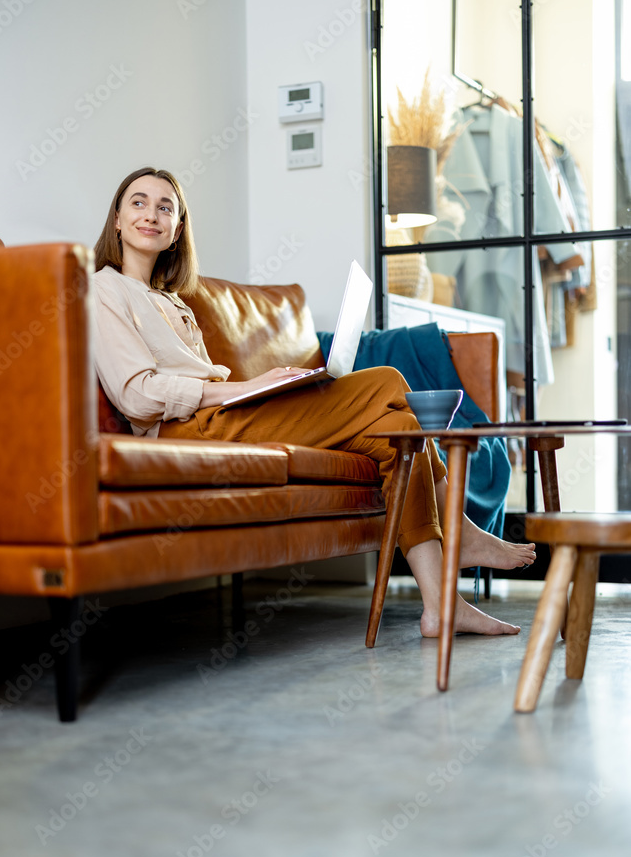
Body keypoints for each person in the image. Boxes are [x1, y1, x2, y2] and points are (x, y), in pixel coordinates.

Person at [92, 167, 536, 639]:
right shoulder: (104, 289)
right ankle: (461, 530)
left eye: (166, 207)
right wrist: (245, 389)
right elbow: (136, 395)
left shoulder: (175, 302)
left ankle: (442, 607)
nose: (151, 215)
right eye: (138, 203)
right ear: (117, 219)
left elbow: (201, 383)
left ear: (178, 229)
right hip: (182, 432)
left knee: (399, 434)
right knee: (387, 380)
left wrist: (260, 390)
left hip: (220, 418)